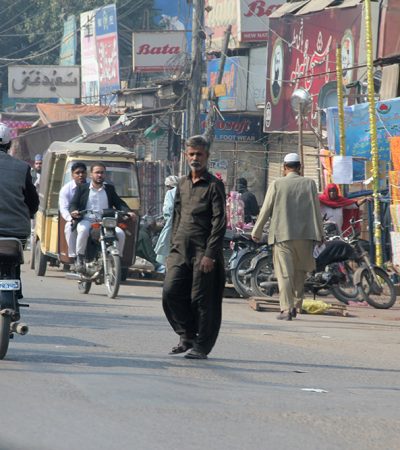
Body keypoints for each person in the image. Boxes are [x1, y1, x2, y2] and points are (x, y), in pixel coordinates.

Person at [162, 135, 226, 360]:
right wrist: (172, 248)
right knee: (170, 292)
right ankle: (186, 335)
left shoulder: (214, 185)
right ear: (186, 156)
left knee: (202, 300)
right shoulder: (181, 183)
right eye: (191, 154)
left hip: (203, 251)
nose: (195, 158)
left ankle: (202, 346)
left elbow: (219, 222)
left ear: (207, 156)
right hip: (180, 249)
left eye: (199, 154)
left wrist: (210, 254)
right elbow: (177, 217)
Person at [251, 153, 324, 321]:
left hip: (282, 235)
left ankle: (286, 308)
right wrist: (321, 233)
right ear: (300, 167)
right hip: (306, 235)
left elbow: (266, 209)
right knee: (300, 272)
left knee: (285, 274)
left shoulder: (277, 184)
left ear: (284, 168)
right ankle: (296, 306)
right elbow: (316, 211)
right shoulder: (310, 184)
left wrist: (257, 231)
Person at [69, 162, 133, 272]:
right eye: (97, 172)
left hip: (106, 221)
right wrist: (74, 211)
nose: (100, 175)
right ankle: (80, 258)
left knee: (120, 233)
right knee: (83, 231)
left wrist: (128, 211)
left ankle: (116, 261)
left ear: (105, 175)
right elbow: (73, 203)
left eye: (102, 173)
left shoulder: (109, 189)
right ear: (91, 175)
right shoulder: (82, 188)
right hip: (87, 220)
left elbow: (119, 203)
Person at [0, 122, 39, 299]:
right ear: (8, 145)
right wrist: (28, 213)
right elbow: (33, 202)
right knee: (14, 261)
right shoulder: (22, 167)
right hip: (17, 233)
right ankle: (16, 291)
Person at [58, 162, 88, 259]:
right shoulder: (66, 189)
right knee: (69, 228)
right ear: (72, 175)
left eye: (83, 172)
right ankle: (74, 256)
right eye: (77, 173)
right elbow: (64, 208)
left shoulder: (91, 186)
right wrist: (71, 218)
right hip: (74, 217)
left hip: (90, 217)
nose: (80, 175)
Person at [154, 175, 179, 266]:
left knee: (167, 252)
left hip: (172, 227)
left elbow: (168, 210)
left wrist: (167, 220)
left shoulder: (170, 193)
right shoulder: (185, 192)